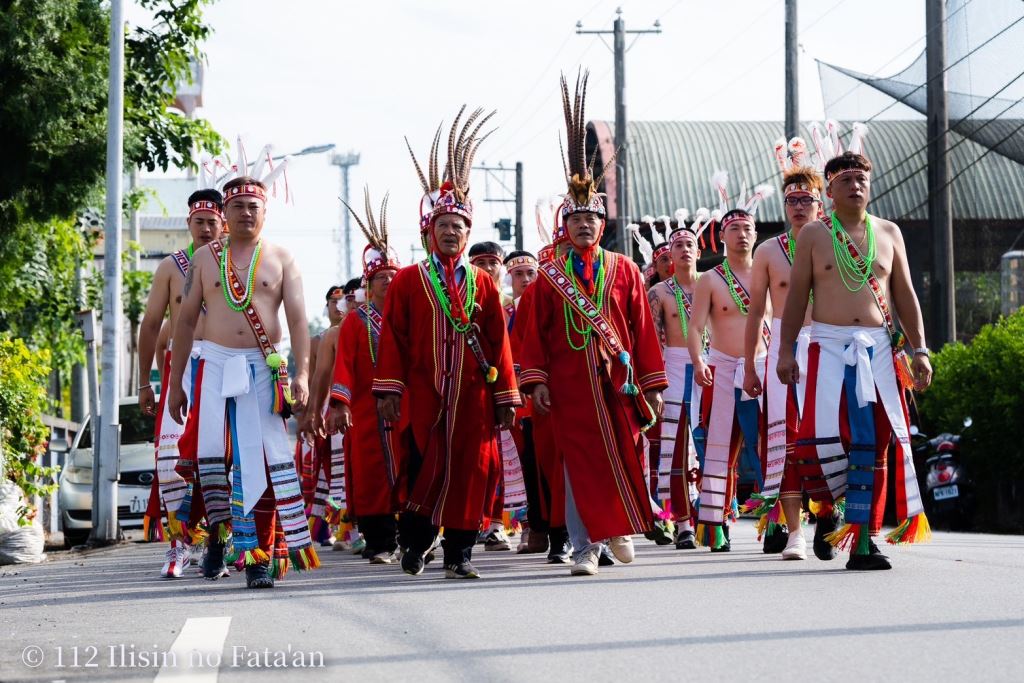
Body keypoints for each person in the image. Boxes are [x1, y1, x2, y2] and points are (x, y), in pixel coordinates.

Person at [518, 71, 667, 577]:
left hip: (616, 380)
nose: (584, 226)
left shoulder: (624, 269)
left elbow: (643, 329)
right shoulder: (547, 279)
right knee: (577, 465)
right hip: (567, 383)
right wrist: (534, 381)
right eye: (575, 220)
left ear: (603, 226)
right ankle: (583, 549)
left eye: (593, 220)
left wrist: (652, 383)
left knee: (621, 453)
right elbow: (531, 333)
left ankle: (619, 529)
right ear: (564, 227)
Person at [777, 124, 932, 571]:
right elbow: (797, 297)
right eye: (844, 179)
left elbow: (905, 295)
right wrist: (786, 350)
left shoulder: (889, 232)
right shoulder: (814, 235)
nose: (855, 184)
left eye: (861, 178)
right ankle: (827, 512)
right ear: (829, 189)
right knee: (818, 442)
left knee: (876, 442)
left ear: (870, 184)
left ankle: (864, 538)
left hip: (879, 350)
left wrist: (919, 349)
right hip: (827, 347)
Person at [375, 107, 520, 580]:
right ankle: (415, 545)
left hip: (474, 398)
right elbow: (393, 339)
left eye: (458, 225)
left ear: (467, 232)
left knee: (472, 472)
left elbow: (499, 342)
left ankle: (460, 555)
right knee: (422, 469)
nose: (451, 231)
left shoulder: (482, 283)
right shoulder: (408, 282)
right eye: (443, 225)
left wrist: (505, 397)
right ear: (428, 232)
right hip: (423, 394)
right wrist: (390, 392)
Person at [168, 147, 317, 589]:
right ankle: (217, 537)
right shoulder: (202, 259)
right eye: (237, 207)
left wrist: (303, 374)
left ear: (265, 212)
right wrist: (176, 382)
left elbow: (297, 320)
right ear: (225, 213)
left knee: (265, 462)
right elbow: (185, 321)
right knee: (212, 460)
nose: (246, 213)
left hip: (261, 367)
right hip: (212, 365)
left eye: (253, 206)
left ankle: (258, 556)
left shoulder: (283, 258)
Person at [741, 136, 823, 561]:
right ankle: (795, 532)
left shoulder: (833, 243)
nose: (797, 206)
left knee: (829, 434)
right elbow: (756, 312)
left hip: (826, 344)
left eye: (805, 199)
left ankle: (831, 515)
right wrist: (751, 365)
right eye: (791, 199)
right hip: (780, 348)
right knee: (783, 439)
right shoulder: (768, 250)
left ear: (819, 205)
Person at [137, 182, 224, 578]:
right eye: (199, 221)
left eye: (212, 222)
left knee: (223, 460)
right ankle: (177, 544)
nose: (205, 229)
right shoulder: (172, 267)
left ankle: (223, 543)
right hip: (183, 368)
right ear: (189, 223)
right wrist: (145, 382)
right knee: (171, 461)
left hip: (225, 366)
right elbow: (152, 324)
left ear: (223, 223)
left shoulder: (237, 264)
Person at [688, 173, 774, 551]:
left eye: (747, 227)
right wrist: (699, 361)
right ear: (722, 236)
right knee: (720, 449)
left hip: (763, 365)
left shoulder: (769, 272)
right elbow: (695, 328)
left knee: (767, 446)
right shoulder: (710, 278)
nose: (741, 234)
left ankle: (776, 522)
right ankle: (715, 523)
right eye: (734, 228)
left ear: (756, 234)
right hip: (722, 367)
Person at [325, 189, 406, 564]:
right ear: (369, 284)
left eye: (393, 276)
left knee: (409, 471)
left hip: (406, 407)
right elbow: (344, 363)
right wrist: (340, 403)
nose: (388, 282)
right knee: (373, 477)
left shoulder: (409, 316)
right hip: (366, 410)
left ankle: (412, 539)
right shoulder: (357, 321)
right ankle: (380, 543)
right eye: (381, 277)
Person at [646, 208, 714, 550]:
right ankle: (681, 522)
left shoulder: (715, 282)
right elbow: (654, 340)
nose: (685, 249)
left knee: (712, 443)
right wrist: (655, 384)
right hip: (673, 368)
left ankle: (715, 519)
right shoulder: (659, 293)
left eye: (690, 244)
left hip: (712, 367)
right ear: (669, 255)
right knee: (674, 450)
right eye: (679, 245)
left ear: (698, 251)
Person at [295, 286, 346, 549]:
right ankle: (331, 526)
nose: (338, 307)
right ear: (325, 306)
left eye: (342, 301)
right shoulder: (318, 340)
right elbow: (315, 378)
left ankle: (349, 527)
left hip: (351, 404)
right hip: (328, 406)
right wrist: (310, 412)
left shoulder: (358, 330)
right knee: (326, 472)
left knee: (345, 471)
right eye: (332, 302)